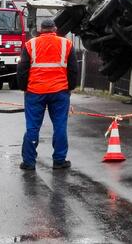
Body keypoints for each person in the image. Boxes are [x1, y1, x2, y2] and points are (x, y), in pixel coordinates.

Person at [17, 19, 80, 171]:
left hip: (35, 92)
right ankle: (59, 160)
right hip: (59, 91)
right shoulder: (66, 44)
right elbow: (73, 69)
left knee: (32, 127)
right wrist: (69, 87)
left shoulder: (31, 44)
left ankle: (29, 162)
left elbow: (23, 68)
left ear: (40, 29)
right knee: (59, 125)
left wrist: (24, 87)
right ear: (54, 28)